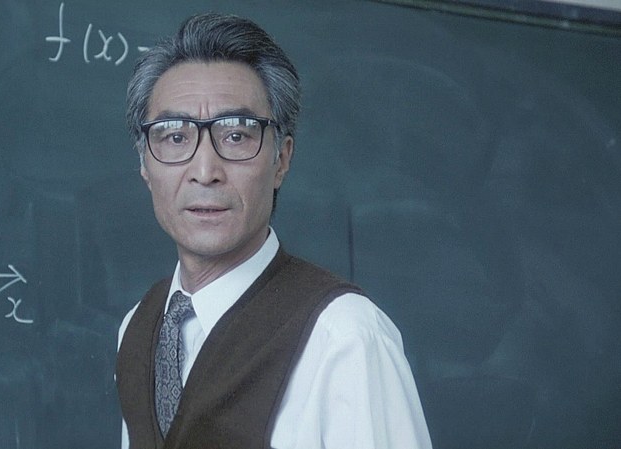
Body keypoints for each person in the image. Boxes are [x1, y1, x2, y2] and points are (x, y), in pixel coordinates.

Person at [115, 12, 432, 449]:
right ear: (144, 164)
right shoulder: (138, 327)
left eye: (236, 136)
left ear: (281, 160)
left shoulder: (344, 337)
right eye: (174, 136)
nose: (205, 171)